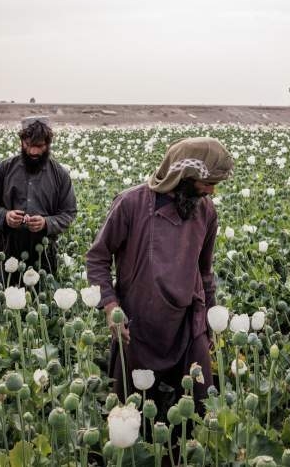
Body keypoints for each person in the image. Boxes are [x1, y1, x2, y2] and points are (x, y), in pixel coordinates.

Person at [86, 137, 234, 410]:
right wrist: (110, 305)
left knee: (200, 411)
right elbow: (98, 257)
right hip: (138, 325)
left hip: (188, 325)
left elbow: (204, 271)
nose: (212, 191)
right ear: (184, 175)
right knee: (134, 412)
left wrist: (211, 319)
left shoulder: (206, 211)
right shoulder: (131, 204)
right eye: (208, 183)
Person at [0, 117, 77, 279]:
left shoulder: (60, 175)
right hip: (6, 250)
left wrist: (46, 223)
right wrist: (5, 216)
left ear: (48, 144)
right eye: (28, 145)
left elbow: (69, 213)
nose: (33, 152)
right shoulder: (4, 169)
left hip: (43, 255)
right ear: (21, 142)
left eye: (39, 146)